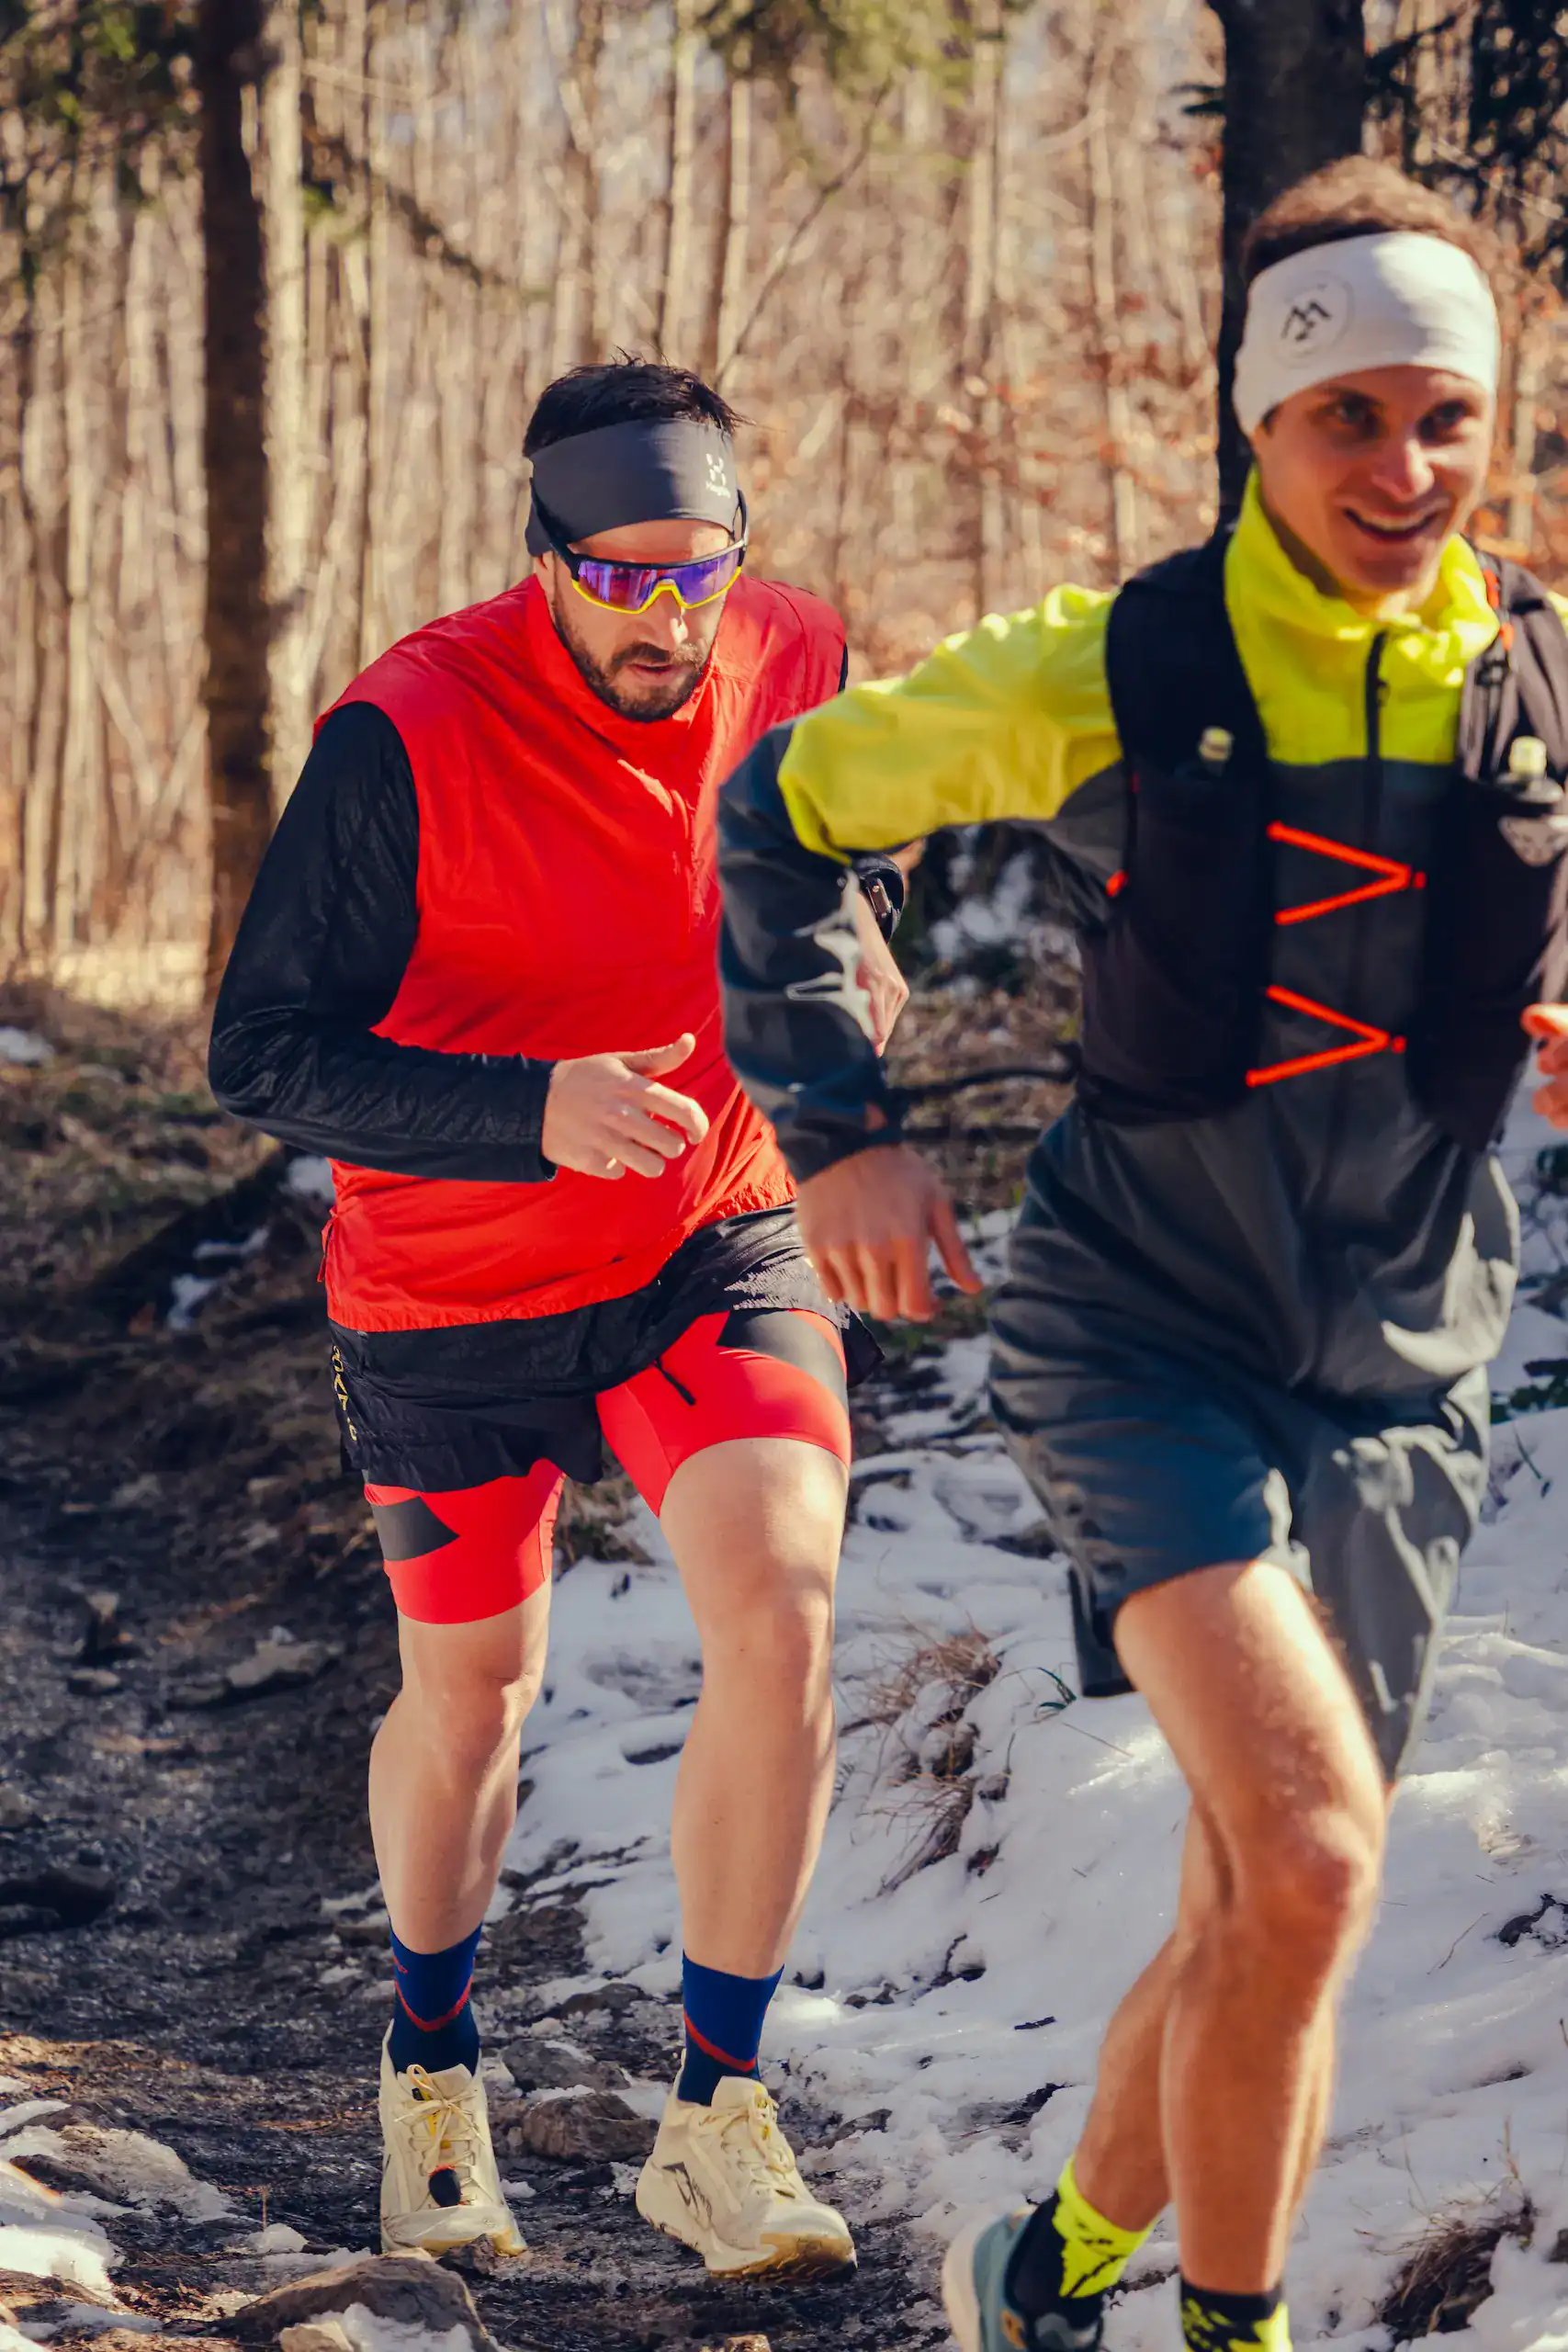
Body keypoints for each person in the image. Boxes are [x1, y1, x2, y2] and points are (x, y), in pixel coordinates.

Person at [714, 160, 1568, 2352]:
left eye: (1446, 416)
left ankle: (1049, 2269)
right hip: (1144, 1336)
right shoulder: (1119, 664)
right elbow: (784, 809)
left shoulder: (1536, 688)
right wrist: (839, 1134)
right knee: (1301, 1860)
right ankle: (1230, 2330)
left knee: (1259, 1898)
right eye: (1348, 416)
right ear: (1256, 426)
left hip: (1407, 1352)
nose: (1405, 467)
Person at [209, 358, 912, 2278]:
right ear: (543, 562)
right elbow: (256, 1051)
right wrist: (527, 1109)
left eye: (697, 573)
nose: (663, 619)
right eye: (617, 579)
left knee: (780, 1606)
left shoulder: (797, 653)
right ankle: (430, 2066)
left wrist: (859, 950)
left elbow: (833, 860)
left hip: (708, 1222)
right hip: (450, 1288)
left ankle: (717, 2112)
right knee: (475, 1702)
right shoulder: (407, 730)